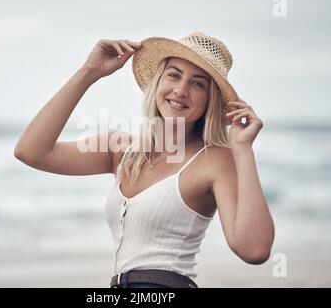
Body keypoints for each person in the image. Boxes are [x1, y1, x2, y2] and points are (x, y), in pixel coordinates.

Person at [14, 32, 275, 288]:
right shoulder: (121, 151)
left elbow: (254, 249)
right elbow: (31, 151)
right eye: (174, 75)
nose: (181, 90)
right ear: (158, 82)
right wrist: (89, 72)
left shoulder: (214, 160)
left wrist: (242, 149)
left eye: (198, 84)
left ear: (210, 100)